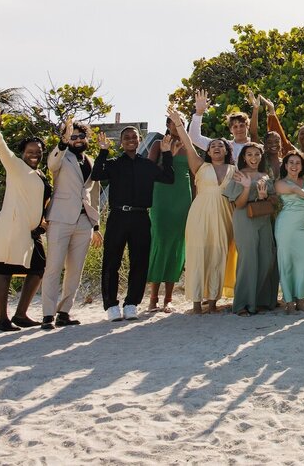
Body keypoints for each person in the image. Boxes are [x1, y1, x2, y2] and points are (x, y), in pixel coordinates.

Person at [91, 122, 176, 321]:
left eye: (134, 137)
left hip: (140, 217)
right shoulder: (112, 164)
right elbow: (96, 175)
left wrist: (166, 153)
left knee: (140, 261)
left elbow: (169, 177)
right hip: (117, 217)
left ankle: (131, 303)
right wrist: (103, 152)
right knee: (112, 261)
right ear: (121, 143)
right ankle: (111, 305)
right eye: (126, 137)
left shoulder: (147, 165)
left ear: (139, 140)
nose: (131, 140)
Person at [0, 107, 49, 331]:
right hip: (12, 227)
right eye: (30, 151)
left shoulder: (40, 174)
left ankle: (21, 314)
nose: (35, 154)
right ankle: (1, 319)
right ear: (22, 152)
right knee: (4, 270)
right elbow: (2, 149)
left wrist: (43, 220)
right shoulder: (16, 166)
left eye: (38, 151)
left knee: (39, 269)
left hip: (33, 231)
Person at [42, 115, 102, 330]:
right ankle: (47, 314)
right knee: (53, 267)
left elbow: (92, 195)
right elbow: (51, 163)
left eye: (80, 136)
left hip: (84, 221)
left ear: (86, 137)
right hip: (60, 219)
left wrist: (95, 225)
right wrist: (62, 143)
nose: (77, 139)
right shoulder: (61, 156)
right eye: (72, 136)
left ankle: (64, 312)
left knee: (75, 270)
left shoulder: (90, 160)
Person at [172, 110, 235, 315]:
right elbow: (189, 144)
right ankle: (196, 303)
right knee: (198, 255)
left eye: (221, 145)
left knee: (218, 255)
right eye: (212, 145)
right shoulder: (200, 165)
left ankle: (213, 302)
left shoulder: (235, 171)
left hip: (224, 216)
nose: (216, 147)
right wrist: (179, 124)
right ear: (208, 151)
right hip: (199, 216)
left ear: (227, 151)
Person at [224, 143, 279, 316]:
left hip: (264, 219)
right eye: (249, 154)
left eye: (257, 154)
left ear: (261, 156)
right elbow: (238, 204)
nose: (253, 158)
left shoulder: (265, 175)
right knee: (248, 260)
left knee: (267, 258)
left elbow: (275, 201)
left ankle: (261, 300)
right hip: (244, 219)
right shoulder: (238, 175)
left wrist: (266, 196)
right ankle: (242, 304)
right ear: (244, 157)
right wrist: (247, 187)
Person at [146, 120, 192, 313]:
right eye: (174, 122)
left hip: (183, 196)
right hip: (161, 196)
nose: (177, 125)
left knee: (177, 244)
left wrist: (196, 201)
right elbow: (148, 170)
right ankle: (153, 297)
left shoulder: (189, 145)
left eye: (181, 122)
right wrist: (168, 157)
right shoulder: (158, 143)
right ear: (167, 124)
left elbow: (194, 173)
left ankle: (169, 298)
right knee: (160, 241)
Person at [273, 149, 304, 313]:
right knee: (286, 262)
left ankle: (301, 300)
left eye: (298, 163)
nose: (294, 166)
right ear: (285, 165)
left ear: (302, 166)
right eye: (291, 163)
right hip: (287, 226)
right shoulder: (280, 183)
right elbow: (295, 190)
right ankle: (289, 301)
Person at [187, 89, 255, 163]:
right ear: (230, 130)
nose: (239, 129)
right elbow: (194, 138)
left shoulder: (256, 144)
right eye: (235, 127)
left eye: (242, 125)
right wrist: (199, 113)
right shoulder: (224, 146)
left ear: (247, 126)